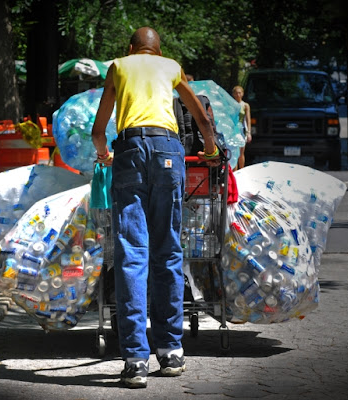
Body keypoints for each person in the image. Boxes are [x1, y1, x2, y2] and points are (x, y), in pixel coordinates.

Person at [91, 26, 220, 389]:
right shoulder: (172, 67)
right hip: (167, 150)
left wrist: (104, 155)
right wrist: (210, 151)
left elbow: (99, 128)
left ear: (131, 48)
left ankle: (134, 361)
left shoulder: (118, 65)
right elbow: (203, 118)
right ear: (158, 51)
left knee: (132, 253)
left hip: (130, 150)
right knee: (167, 252)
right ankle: (171, 352)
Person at [232, 85, 251, 170]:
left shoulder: (245, 105)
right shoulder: (231, 104)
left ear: (242, 94)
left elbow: (247, 119)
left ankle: (242, 170)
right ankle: (234, 172)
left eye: (239, 93)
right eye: (236, 93)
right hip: (233, 130)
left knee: (241, 152)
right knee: (234, 152)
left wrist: (248, 132)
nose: (238, 95)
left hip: (241, 129)